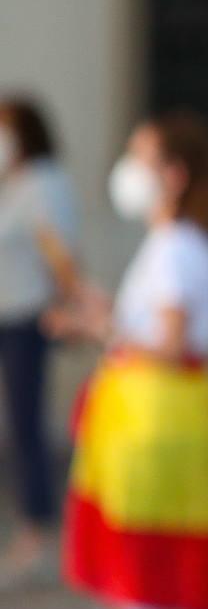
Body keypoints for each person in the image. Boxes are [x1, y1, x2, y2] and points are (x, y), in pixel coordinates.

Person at [52, 112, 208, 609]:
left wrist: (99, 328)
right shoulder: (177, 243)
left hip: (155, 423)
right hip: (157, 417)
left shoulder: (176, 248)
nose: (128, 168)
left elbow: (171, 347)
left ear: (174, 174)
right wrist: (106, 313)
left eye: (140, 157)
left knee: (148, 574)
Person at [0, 95, 79, 588]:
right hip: (7, 315)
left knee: (26, 427)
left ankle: (37, 533)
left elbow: (58, 251)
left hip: (26, 320)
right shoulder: (14, 186)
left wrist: (71, 304)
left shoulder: (45, 184)